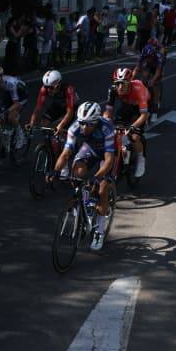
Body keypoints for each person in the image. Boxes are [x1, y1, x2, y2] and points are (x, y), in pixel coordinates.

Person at [51, 101, 118, 251]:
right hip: (91, 148)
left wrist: (98, 176)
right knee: (77, 173)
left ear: (95, 121)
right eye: (82, 123)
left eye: (88, 124)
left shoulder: (106, 128)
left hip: (107, 154)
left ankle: (99, 231)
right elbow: (66, 153)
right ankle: (83, 207)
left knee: (102, 189)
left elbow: (108, 160)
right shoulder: (74, 127)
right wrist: (55, 171)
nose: (84, 128)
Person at [106, 67, 150, 179]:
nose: (120, 87)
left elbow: (143, 115)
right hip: (126, 106)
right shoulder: (112, 90)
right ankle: (121, 155)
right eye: (117, 84)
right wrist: (107, 121)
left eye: (123, 84)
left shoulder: (138, 89)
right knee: (115, 133)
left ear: (129, 83)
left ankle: (140, 159)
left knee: (134, 136)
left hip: (139, 110)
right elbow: (108, 112)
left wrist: (132, 127)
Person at [27, 69, 78, 137]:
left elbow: (70, 113)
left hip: (70, 108)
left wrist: (60, 126)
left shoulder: (69, 90)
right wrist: (31, 122)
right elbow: (38, 107)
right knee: (43, 124)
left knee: (61, 130)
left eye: (50, 88)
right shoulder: (44, 89)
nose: (48, 90)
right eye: (46, 87)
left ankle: (66, 143)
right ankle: (48, 145)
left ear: (58, 85)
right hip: (57, 105)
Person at [134, 35, 166, 112]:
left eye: (149, 57)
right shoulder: (144, 53)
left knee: (156, 83)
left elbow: (158, 72)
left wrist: (153, 81)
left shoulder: (159, 55)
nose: (147, 59)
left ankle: (156, 104)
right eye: (146, 57)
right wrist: (131, 79)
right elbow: (137, 68)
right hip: (149, 63)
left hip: (158, 63)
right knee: (144, 77)